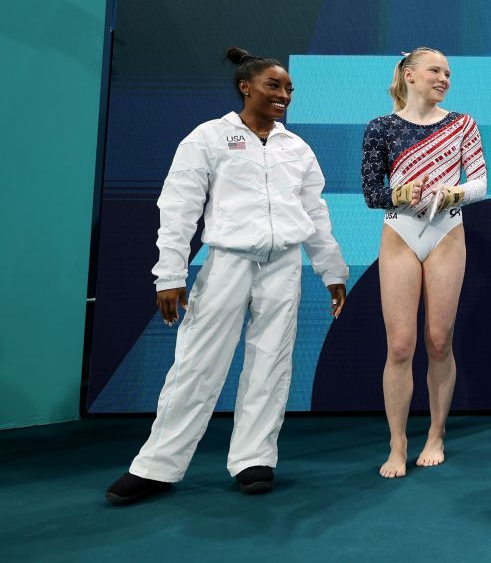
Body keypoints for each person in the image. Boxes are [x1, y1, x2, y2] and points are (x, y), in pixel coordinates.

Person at [105, 48, 349, 505]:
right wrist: (169, 275)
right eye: (274, 86)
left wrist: (331, 270)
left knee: (272, 362)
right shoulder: (208, 138)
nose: (284, 95)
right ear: (246, 87)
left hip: (284, 265)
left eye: (289, 89)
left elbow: (315, 214)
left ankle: (255, 458)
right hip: (227, 263)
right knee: (198, 362)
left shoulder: (296, 148)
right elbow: (178, 209)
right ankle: (157, 466)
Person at [361, 48, 488, 478]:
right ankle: (397, 443)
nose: (444, 78)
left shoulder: (462, 123)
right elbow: (370, 192)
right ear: (409, 75)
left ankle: (435, 433)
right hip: (400, 232)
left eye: (449, 73)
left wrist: (455, 194)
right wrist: (398, 195)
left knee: (438, 340)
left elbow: (481, 183)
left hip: (446, 232)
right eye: (435, 70)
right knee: (399, 345)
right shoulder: (381, 127)